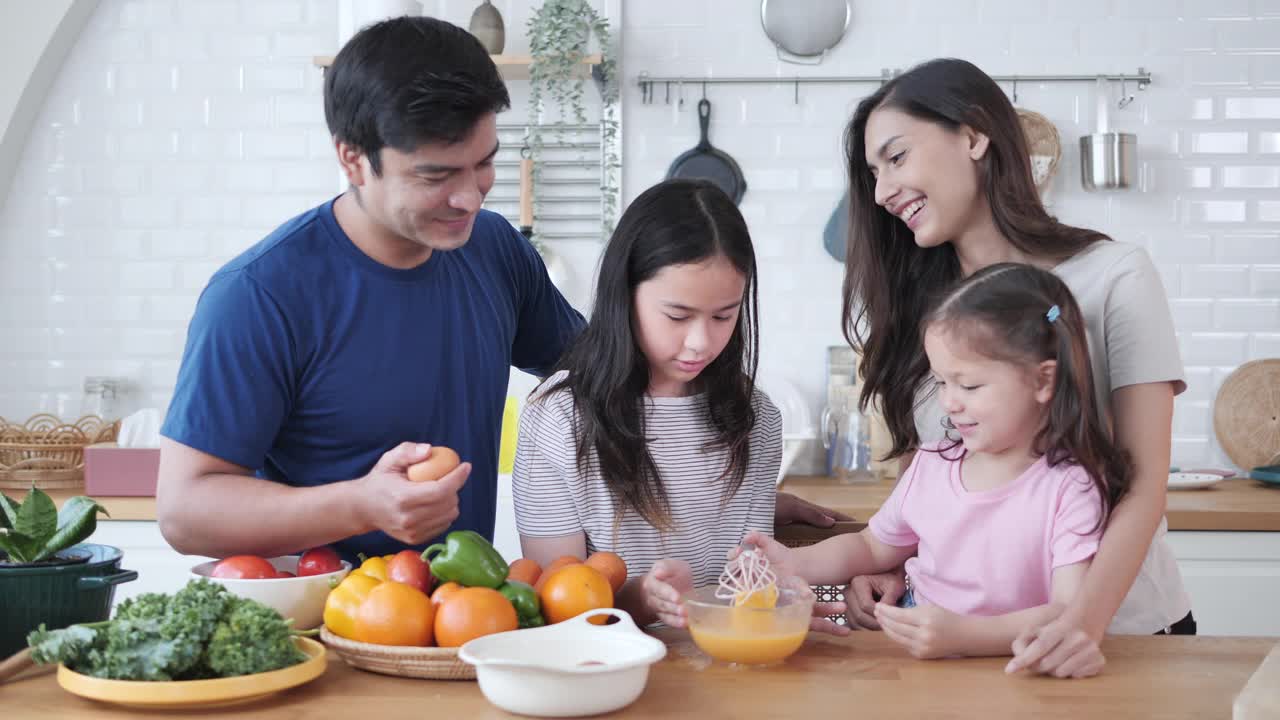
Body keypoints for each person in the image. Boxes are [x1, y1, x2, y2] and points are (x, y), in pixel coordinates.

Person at [156, 16, 583, 564]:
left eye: (484, 164)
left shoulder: (495, 248)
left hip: (463, 620)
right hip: (316, 625)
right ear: (353, 159)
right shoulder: (258, 296)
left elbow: (597, 370)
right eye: (435, 177)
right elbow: (185, 511)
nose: (470, 199)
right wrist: (363, 504)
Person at [838, 58, 1193, 674]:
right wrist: (891, 563)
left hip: (1119, 640)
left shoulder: (1115, 276)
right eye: (872, 173)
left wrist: (1081, 621)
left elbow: (1143, 485)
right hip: (964, 654)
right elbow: (946, 489)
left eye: (896, 158)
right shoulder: (928, 314)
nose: (881, 192)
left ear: (974, 136)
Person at [726, 263, 1126, 676]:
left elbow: (1068, 610)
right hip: (913, 666)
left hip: (1013, 670)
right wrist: (793, 564)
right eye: (941, 383)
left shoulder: (1070, 487)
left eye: (968, 385)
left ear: (1044, 381)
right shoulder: (931, 465)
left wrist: (964, 636)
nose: (950, 402)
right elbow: (871, 547)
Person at [512, 179, 828, 627]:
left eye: (724, 315)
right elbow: (553, 604)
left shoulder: (756, 418)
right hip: (608, 673)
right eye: (677, 316)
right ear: (625, 295)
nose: (700, 343)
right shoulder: (559, 419)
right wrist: (640, 598)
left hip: (730, 667)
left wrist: (785, 602)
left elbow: (750, 577)